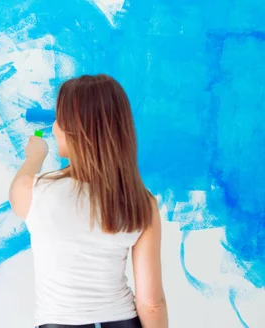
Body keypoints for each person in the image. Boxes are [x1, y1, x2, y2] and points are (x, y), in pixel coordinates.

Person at [9, 74, 168, 328]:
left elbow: (17, 189)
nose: (54, 126)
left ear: (73, 130)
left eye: (59, 119)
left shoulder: (36, 192)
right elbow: (151, 303)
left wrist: (35, 156)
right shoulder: (140, 202)